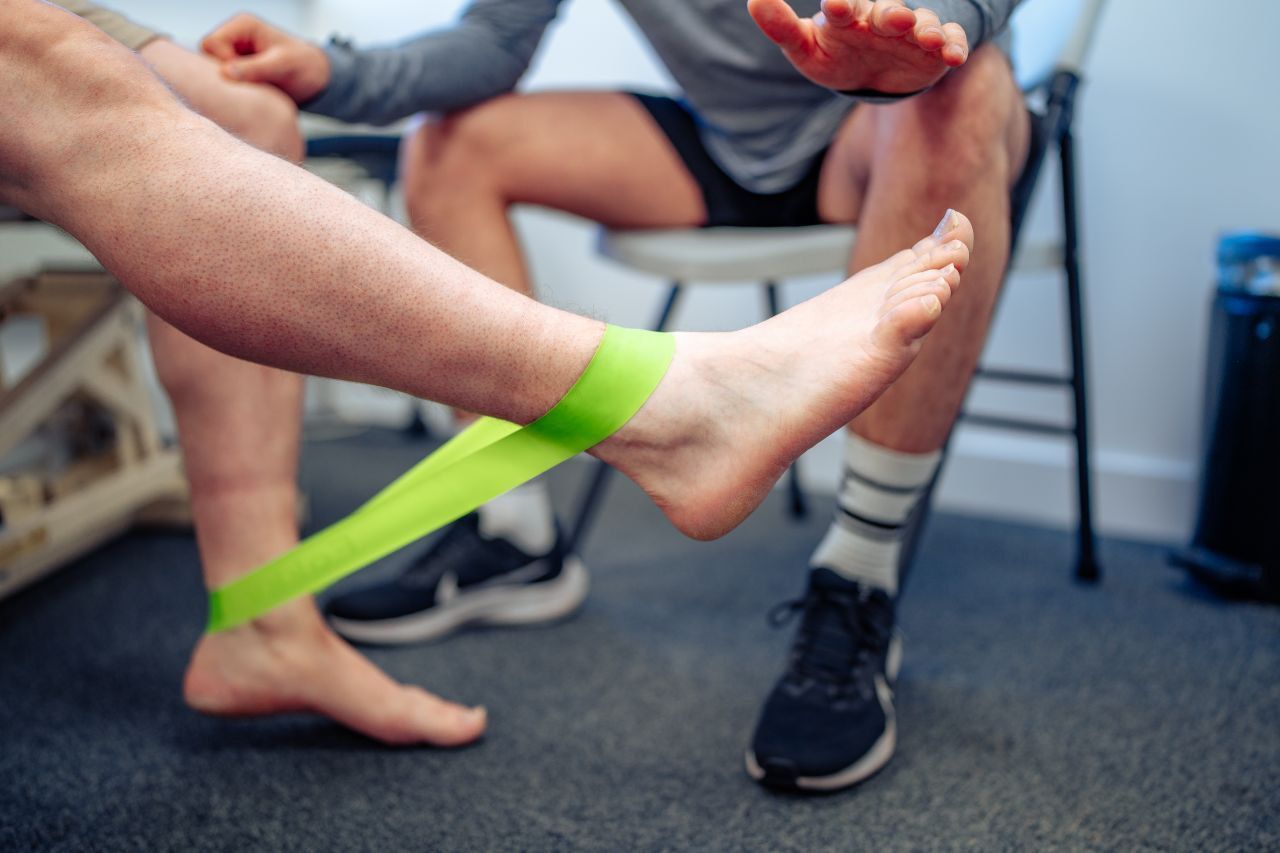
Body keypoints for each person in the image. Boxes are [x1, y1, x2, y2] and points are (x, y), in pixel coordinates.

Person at [2, 0, 971, 761]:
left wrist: (943, 23)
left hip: (881, 122)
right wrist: (336, 69)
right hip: (720, 145)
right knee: (445, 137)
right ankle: (513, 533)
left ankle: (858, 575)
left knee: (966, 92)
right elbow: (493, 40)